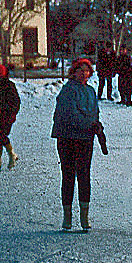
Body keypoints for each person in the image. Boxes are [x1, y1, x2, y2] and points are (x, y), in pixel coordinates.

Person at [51, 58, 100, 231]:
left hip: (85, 139)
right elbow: (69, 114)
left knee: (85, 176)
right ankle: (67, 216)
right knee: (69, 176)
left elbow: (95, 112)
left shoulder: (91, 91)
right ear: (74, 72)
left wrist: (97, 125)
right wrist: (90, 124)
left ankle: (84, 216)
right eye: (80, 70)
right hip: (68, 138)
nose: (84, 73)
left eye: (87, 70)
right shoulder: (68, 90)